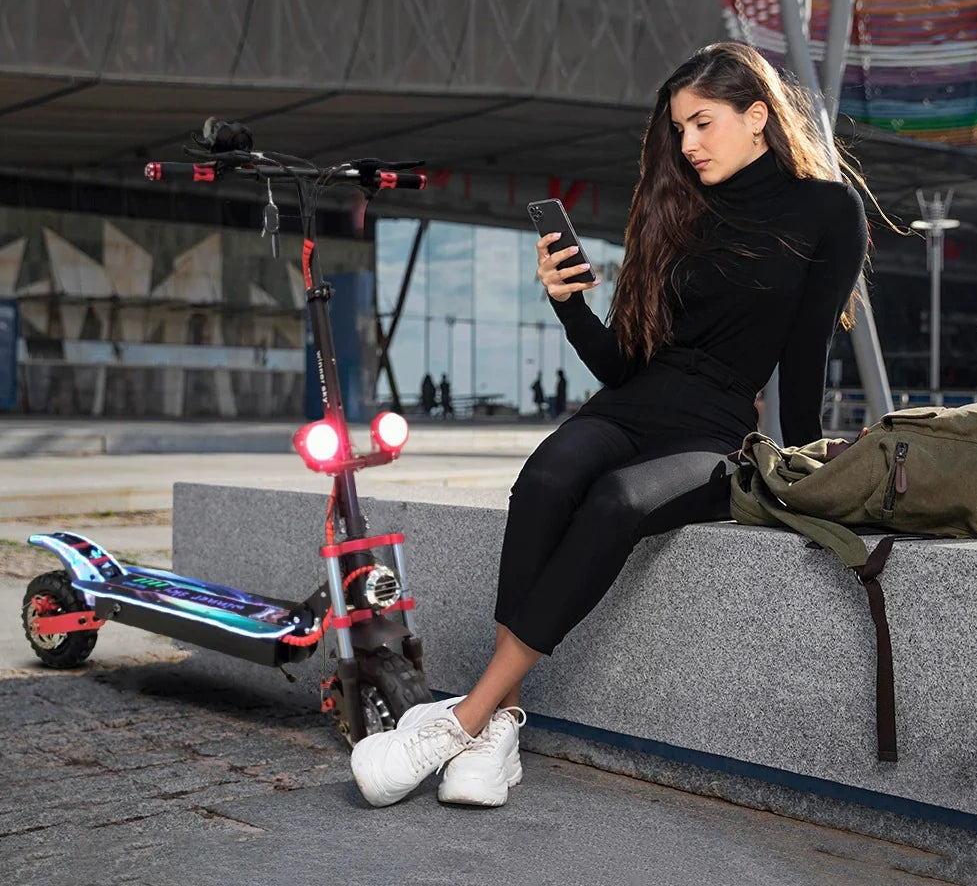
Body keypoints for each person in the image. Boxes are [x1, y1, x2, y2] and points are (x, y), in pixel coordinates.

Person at [350, 41, 871, 808]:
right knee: (547, 478)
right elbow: (624, 364)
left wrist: (798, 469)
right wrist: (567, 304)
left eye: (702, 124)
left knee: (618, 503)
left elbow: (805, 359)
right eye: (679, 129)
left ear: (757, 116)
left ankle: (463, 719)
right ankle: (500, 727)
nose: (686, 145)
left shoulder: (828, 211)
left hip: (716, 432)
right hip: (631, 405)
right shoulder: (679, 206)